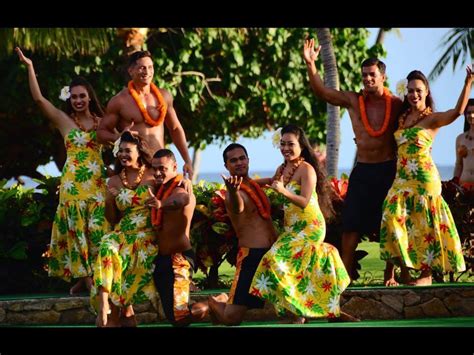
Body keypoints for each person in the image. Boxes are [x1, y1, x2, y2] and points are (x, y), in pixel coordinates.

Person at [303, 38, 403, 286]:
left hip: (388, 170)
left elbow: (419, 119)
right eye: (364, 75)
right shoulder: (353, 101)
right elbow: (323, 92)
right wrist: (310, 64)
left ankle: (389, 275)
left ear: (383, 77)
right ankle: (344, 280)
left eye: (372, 75)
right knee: (350, 228)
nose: (367, 79)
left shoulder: (397, 104)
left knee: (389, 224)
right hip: (363, 171)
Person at [16, 47, 110, 295]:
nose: (78, 100)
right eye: (74, 97)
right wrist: (30, 67)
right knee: (77, 231)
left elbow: (122, 142)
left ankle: (85, 279)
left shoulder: (103, 123)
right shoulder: (64, 121)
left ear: (90, 97)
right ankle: (88, 281)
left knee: (98, 232)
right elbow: (39, 100)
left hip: (98, 185)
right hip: (73, 187)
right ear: (70, 99)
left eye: (82, 96)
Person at [249, 125, 357, 323]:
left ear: (301, 146)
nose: (285, 148)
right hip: (291, 227)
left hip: (310, 226)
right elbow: (272, 181)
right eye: (282, 144)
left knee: (273, 259)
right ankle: (303, 313)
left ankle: (301, 313)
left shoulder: (307, 169)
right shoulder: (282, 168)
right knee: (296, 269)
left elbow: (304, 200)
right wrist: (246, 182)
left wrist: (283, 191)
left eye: (291, 144)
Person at [380, 68, 472, 286]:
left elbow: (457, 112)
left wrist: (468, 83)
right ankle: (399, 272)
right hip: (402, 178)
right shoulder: (401, 118)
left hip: (424, 180)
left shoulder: (432, 119)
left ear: (426, 91)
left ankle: (425, 275)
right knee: (392, 217)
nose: (414, 95)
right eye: (410, 91)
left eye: (418, 90)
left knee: (424, 227)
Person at [92, 131, 158, 327]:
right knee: (106, 245)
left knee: (123, 306)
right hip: (122, 233)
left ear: (139, 152)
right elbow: (112, 219)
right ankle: (104, 304)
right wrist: (109, 200)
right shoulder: (113, 181)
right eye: (120, 151)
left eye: (127, 151)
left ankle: (121, 308)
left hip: (146, 235)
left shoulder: (153, 174)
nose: (123, 155)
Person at [207, 143, 277, 326]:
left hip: (272, 254)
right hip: (251, 256)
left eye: (242, 158)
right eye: (233, 160)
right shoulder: (232, 193)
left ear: (248, 160)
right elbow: (237, 208)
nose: (239, 163)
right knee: (232, 318)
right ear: (226, 166)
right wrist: (232, 190)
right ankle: (216, 302)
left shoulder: (254, 185)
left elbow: (275, 178)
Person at [97, 50, 194, 179]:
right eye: (142, 68)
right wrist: (119, 137)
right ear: (131, 71)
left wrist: (187, 160)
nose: (147, 72)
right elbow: (100, 133)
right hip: (135, 167)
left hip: (160, 165)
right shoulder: (119, 101)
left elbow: (175, 128)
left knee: (180, 197)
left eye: (150, 67)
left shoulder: (164, 96)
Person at [146, 149, 207, 326]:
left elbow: (180, 200)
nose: (158, 173)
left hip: (178, 258)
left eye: (163, 169)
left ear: (174, 167)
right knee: (174, 317)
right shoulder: (161, 187)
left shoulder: (180, 188)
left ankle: (214, 302)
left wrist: (161, 204)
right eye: (154, 168)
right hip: (162, 259)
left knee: (180, 319)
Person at [453, 98, 474, 191]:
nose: (471, 115)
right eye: (468, 113)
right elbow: (458, 165)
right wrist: (454, 184)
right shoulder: (460, 138)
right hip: (463, 187)